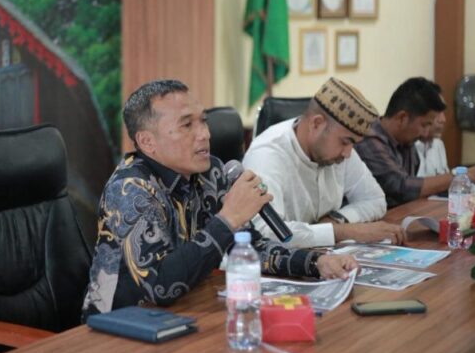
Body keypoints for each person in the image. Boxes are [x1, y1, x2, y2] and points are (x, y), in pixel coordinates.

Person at [81, 80, 358, 319]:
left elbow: (252, 248)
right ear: (147, 142)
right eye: (187, 124)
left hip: (185, 312)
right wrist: (227, 219)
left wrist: (314, 263)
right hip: (118, 329)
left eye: (203, 120)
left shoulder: (210, 172)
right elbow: (160, 287)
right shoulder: (130, 190)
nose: (205, 134)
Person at [243, 77, 404, 248]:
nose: (348, 153)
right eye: (345, 142)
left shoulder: (337, 150)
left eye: (352, 144)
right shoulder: (267, 156)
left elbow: (375, 199)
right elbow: (267, 233)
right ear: (316, 124)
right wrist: (345, 231)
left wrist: (336, 219)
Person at [355, 77, 475, 208]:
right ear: (402, 118)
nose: (425, 133)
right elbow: (402, 187)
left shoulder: (406, 140)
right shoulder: (369, 139)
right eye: (424, 125)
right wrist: (460, 176)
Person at [415, 109, 449, 177]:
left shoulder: (438, 144)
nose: (443, 119)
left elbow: (444, 176)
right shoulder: (405, 147)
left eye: (443, 113)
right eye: (437, 113)